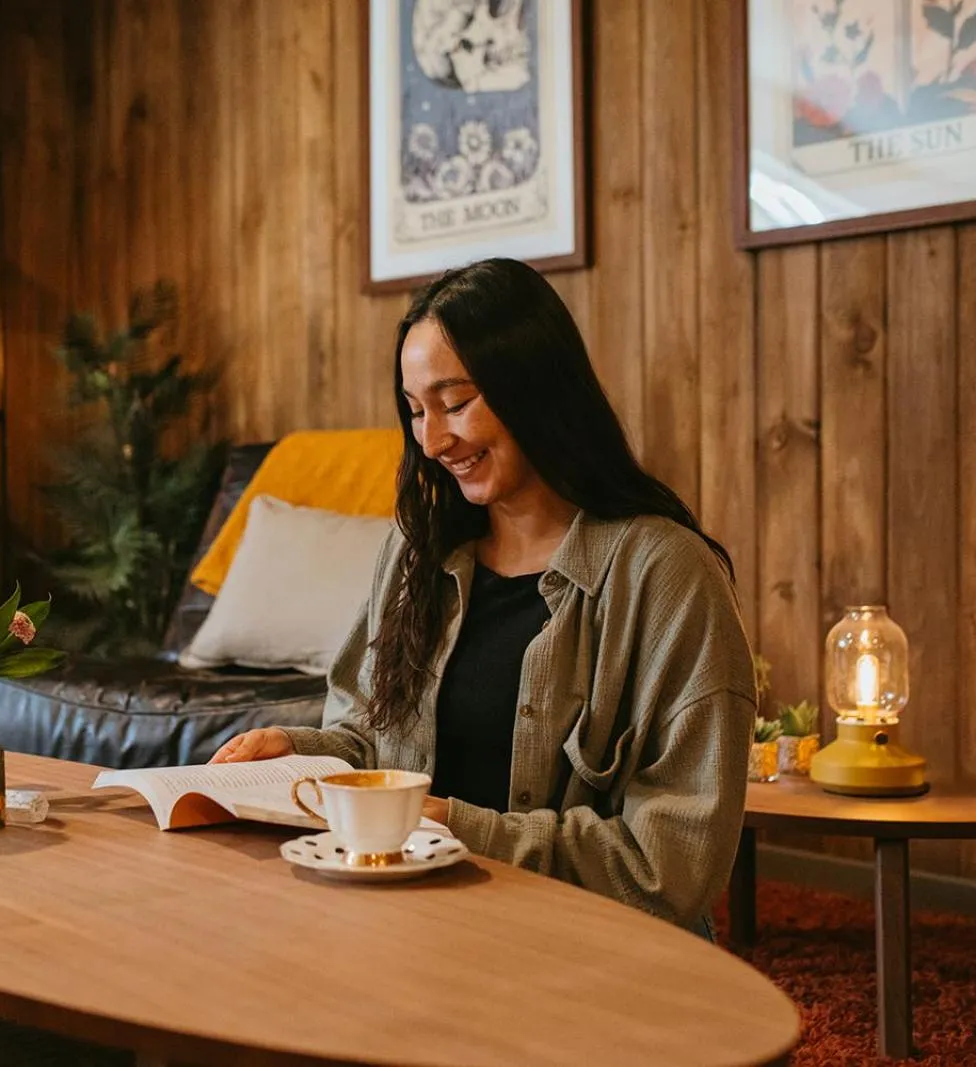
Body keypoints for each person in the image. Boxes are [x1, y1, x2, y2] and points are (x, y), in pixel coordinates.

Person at [210, 258, 755, 936]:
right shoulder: (416, 553)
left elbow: (674, 864)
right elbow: (369, 742)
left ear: (535, 387)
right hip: (413, 925)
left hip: (585, 949)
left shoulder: (666, 573)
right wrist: (295, 751)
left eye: (456, 403)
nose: (433, 441)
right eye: (416, 411)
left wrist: (459, 829)